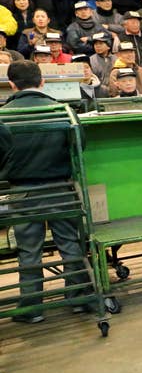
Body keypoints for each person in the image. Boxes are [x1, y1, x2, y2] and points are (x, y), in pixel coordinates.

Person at [0, 60, 92, 323]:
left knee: (29, 251)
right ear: (42, 82)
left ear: (12, 85)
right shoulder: (62, 110)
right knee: (70, 244)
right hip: (61, 188)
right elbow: (79, 146)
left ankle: (32, 309)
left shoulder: (3, 115)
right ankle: (79, 299)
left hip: (22, 192)